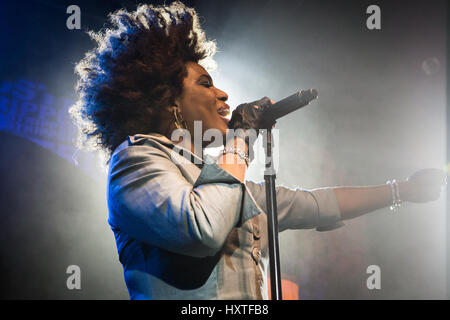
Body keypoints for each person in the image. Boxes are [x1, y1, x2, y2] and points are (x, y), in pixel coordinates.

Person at [69, 1, 446, 300]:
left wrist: (404, 191)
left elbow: (314, 204)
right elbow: (201, 229)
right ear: (169, 99)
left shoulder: (223, 183)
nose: (224, 94)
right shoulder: (135, 161)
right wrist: (242, 140)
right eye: (205, 83)